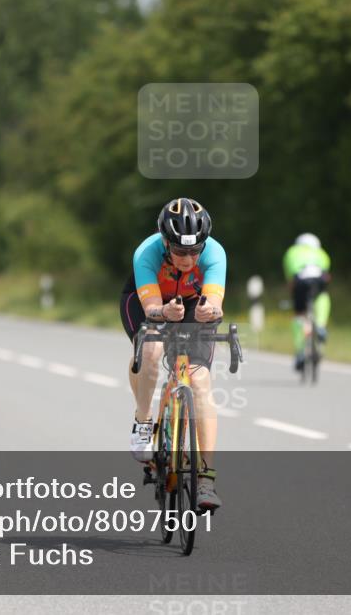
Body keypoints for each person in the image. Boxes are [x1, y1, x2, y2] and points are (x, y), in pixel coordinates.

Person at [120, 197, 226, 512]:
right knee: (151, 349)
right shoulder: (147, 253)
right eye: (180, 251)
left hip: (192, 303)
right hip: (147, 301)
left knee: (200, 381)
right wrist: (163, 312)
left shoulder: (215, 253)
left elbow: (215, 302)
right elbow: (152, 307)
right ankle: (143, 421)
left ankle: (205, 478)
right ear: (166, 242)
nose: (188, 259)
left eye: (195, 251)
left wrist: (210, 311)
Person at [283, 233, 331, 372]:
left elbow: (290, 280)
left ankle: (300, 351)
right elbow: (327, 273)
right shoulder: (322, 253)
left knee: (299, 314)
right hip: (319, 278)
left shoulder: (291, 252)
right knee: (322, 296)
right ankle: (320, 325)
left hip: (301, 279)